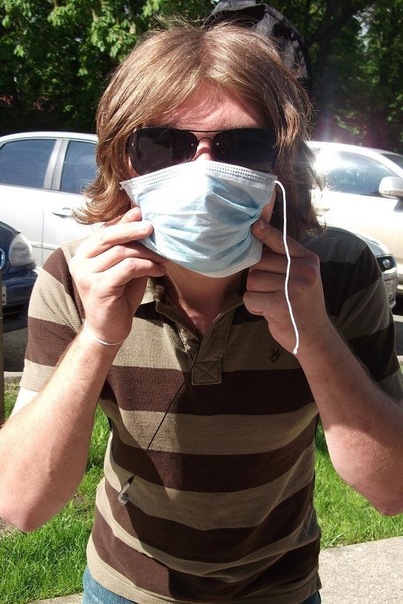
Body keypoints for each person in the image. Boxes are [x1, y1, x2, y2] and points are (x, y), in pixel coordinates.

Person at [0, 18, 403, 604]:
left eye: (243, 146)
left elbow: (392, 490)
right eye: (164, 145)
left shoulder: (336, 273)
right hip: (126, 587)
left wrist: (314, 335)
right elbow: (21, 503)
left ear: (281, 164)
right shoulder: (77, 276)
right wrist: (97, 337)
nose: (202, 171)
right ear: (124, 160)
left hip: (281, 589)